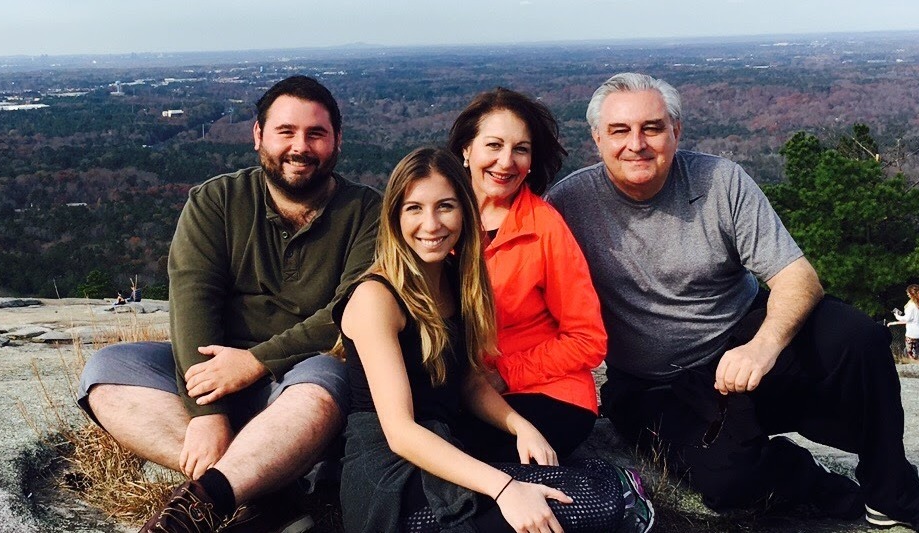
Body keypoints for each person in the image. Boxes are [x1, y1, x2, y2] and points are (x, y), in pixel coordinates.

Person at [545, 73, 919, 533]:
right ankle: (811, 482)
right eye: (619, 131)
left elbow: (798, 278)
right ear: (596, 139)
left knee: (858, 335)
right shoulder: (569, 205)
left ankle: (893, 490)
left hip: (742, 346)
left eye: (652, 127)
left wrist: (763, 345)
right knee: (728, 483)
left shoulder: (720, 181)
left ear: (676, 132)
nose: (637, 144)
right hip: (655, 387)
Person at [75, 75, 381, 532]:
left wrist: (257, 362)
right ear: (258, 135)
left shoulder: (369, 213)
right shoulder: (217, 201)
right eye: (286, 131)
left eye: (316, 133)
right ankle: (267, 486)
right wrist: (207, 415)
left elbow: (349, 313)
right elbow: (193, 304)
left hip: (300, 381)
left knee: (329, 377)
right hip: (214, 374)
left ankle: (204, 503)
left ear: (336, 141)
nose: (301, 146)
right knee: (106, 373)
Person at [336, 147, 650, 533]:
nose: (431, 224)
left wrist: (520, 426)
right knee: (569, 511)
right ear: (394, 216)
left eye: (445, 206)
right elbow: (399, 432)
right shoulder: (377, 298)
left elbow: (468, 381)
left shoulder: (456, 280)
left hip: (444, 446)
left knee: (561, 499)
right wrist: (503, 488)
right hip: (392, 477)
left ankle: (607, 484)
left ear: (466, 211)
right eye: (414, 208)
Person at [444, 88, 608, 461]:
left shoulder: (545, 227)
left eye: (520, 149)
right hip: (463, 384)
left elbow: (587, 339)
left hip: (546, 391)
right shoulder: (437, 218)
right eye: (494, 145)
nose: (506, 161)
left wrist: (506, 374)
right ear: (466, 150)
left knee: (461, 450)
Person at [887, 285, 919, 359]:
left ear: (912, 293)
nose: (907, 294)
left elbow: (907, 319)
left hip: (912, 334)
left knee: (911, 356)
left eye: (908, 293)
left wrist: (897, 316)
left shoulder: (911, 305)